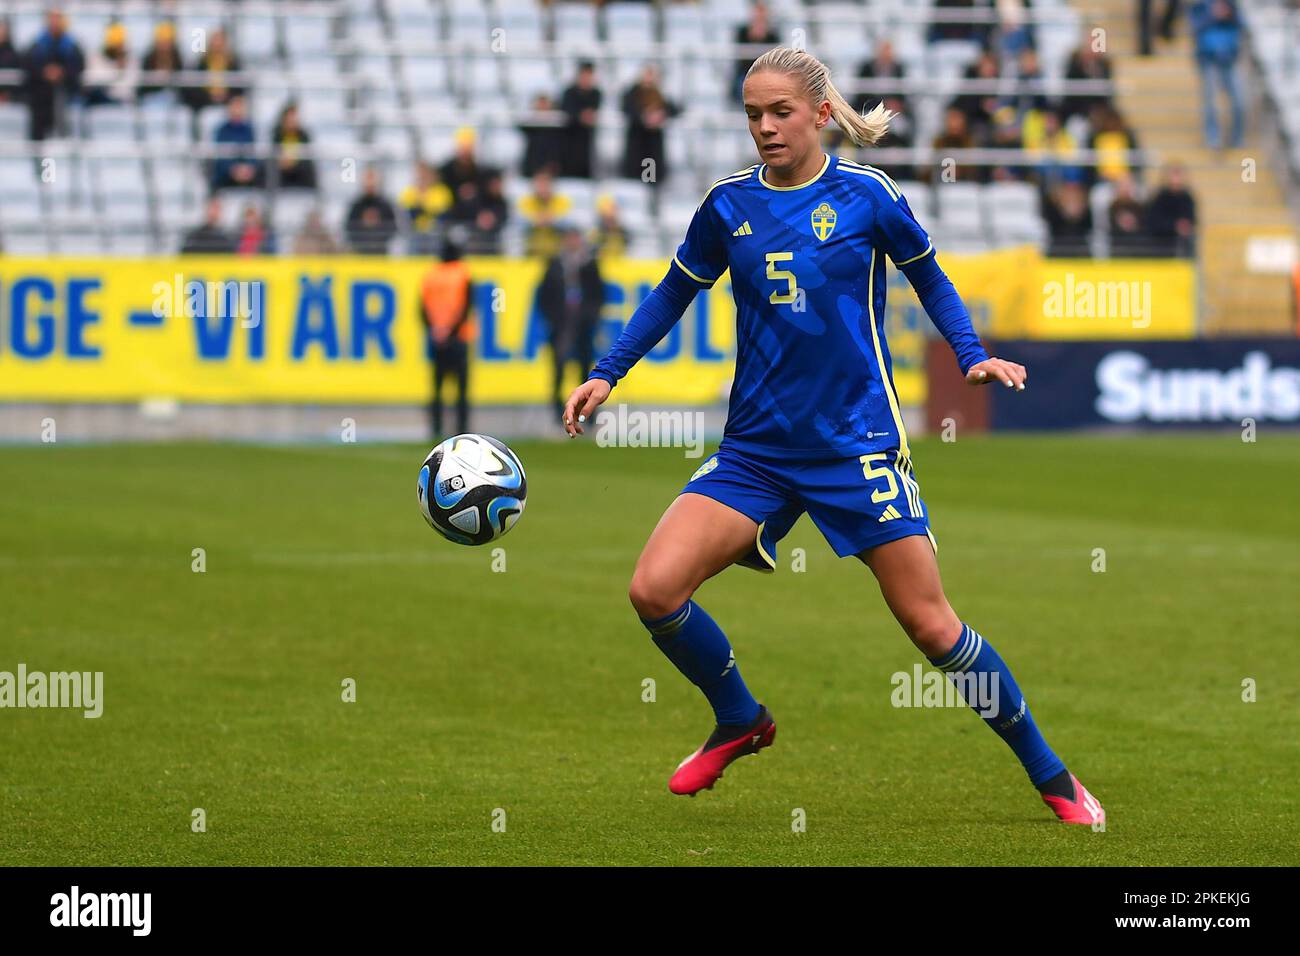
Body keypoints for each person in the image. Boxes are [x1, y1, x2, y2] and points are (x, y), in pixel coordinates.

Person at [560, 47, 1105, 826]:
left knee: (931, 624)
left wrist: (972, 354)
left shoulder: (866, 196)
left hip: (858, 444)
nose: (765, 128)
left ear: (820, 113)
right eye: (753, 114)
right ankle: (741, 718)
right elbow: (674, 291)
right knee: (653, 590)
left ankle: (1053, 776)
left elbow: (930, 276)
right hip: (756, 449)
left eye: (780, 112)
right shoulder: (726, 206)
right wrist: (609, 371)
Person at [539, 227, 604, 424]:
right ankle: (559, 413)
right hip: (561, 325)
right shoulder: (555, 265)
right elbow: (544, 295)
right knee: (558, 369)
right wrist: (553, 319)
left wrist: (590, 317)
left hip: (583, 325)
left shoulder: (589, 264)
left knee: (586, 371)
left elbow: (598, 295)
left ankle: (586, 414)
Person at [419, 237, 475, 438]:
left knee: (437, 388)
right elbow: (467, 306)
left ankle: (436, 428)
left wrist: (435, 330)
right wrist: (450, 331)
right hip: (458, 338)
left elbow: (422, 308)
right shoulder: (463, 273)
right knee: (461, 389)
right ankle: (462, 429)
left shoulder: (431, 275)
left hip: (437, 338)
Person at [23, 7, 84, 140]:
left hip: (65, 91)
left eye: (58, 18)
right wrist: (45, 72)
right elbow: (29, 65)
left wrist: (62, 72)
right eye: (52, 18)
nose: (55, 22)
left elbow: (78, 65)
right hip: (41, 96)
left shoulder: (71, 44)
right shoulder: (38, 44)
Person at [1190, 0, 1244, 149]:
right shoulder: (1199, 5)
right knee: (1210, 101)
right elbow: (1194, 26)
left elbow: (1242, 24)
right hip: (1209, 59)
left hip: (1230, 58)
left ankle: (1237, 138)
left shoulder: (1232, 4)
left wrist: (1229, 14)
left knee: (1239, 102)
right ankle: (1213, 137)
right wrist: (1213, 16)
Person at [620, 64, 679, 184]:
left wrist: (661, 115)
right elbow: (627, 108)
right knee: (634, 179)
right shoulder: (632, 93)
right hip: (637, 143)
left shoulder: (659, 94)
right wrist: (644, 117)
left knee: (650, 178)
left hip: (653, 145)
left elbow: (674, 109)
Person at [559, 61, 601, 178]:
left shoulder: (596, 93)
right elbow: (567, 111)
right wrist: (580, 116)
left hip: (587, 145)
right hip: (569, 144)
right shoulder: (569, 92)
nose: (586, 79)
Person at [210, 94, 261, 190]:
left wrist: (249, 167)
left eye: (240, 106)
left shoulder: (249, 129)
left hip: (246, 171)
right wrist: (233, 169)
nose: (238, 109)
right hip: (227, 172)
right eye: (235, 106)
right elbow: (220, 156)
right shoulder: (222, 130)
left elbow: (253, 152)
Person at [1146, 162, 1197, 257]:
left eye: (1178, 174)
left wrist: (1185, 226)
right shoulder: (1159, 198)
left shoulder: (1187, 198)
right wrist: (1175, 226)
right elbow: (1154, 222)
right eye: (1173, 174)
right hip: (1160, 244)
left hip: (1181, 245)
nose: (1176, 178)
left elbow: (1192, 221)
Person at [345, 166, 398, 255]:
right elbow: (349, 229)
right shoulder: (356, 205)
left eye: (372, 178)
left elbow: (393, 229)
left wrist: (377, 226)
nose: (370, 182)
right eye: (368, 178)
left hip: (381, 253)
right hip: (360, 253)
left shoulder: (385, 205)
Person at [271, 102, 316, 190]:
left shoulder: (304, 135)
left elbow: (307, 158)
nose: (292, 120)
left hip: (299, 170)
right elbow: (274, 154)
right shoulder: (277, 135)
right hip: (282, 171)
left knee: (308, 169)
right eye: (290, 117)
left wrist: (292, 162)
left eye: (294, 117)